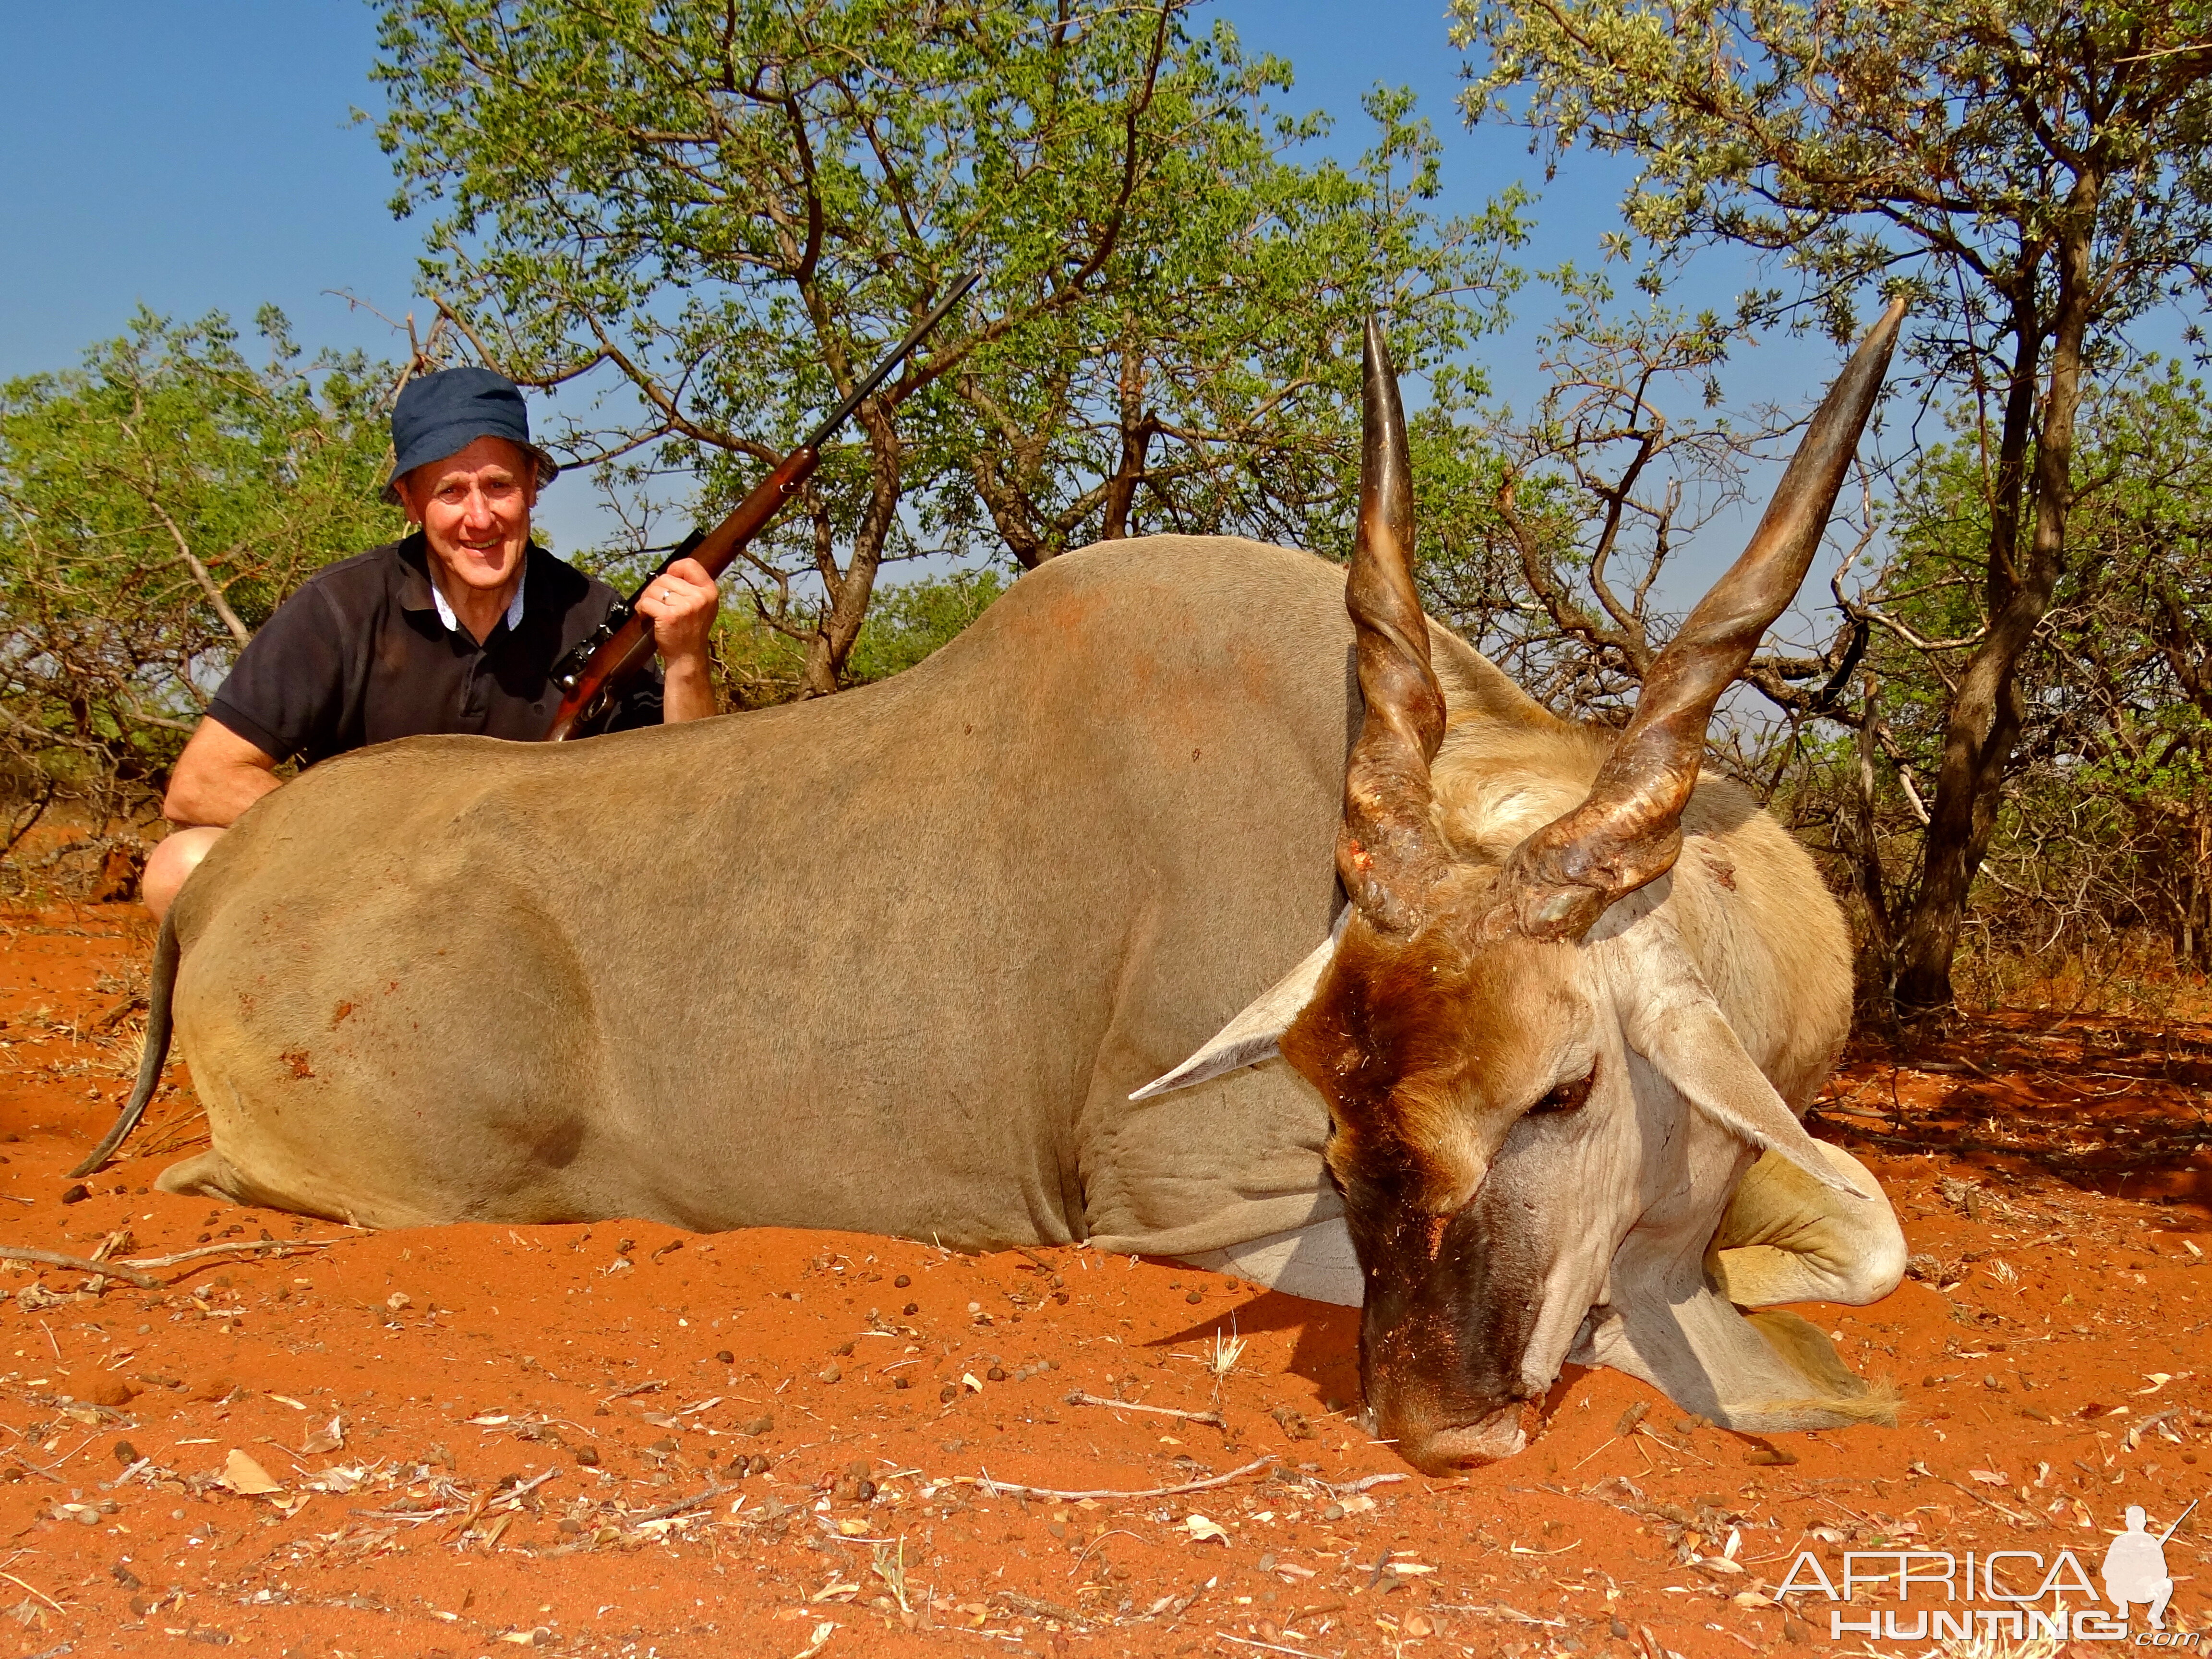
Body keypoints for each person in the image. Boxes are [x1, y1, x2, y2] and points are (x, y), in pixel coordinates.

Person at [140, 367, 719, 920]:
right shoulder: (340, 605)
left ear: (532, 492)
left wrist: (687, 659)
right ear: (412, 503)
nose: (479, 516)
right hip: (364, 893)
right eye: (450, 491)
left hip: (535, 907)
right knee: (180, 866)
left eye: (499, 486)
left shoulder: (593, 611)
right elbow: (199, 785)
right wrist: (390, 844)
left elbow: (688, 806)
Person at [2101, 1504, 2174, 1630]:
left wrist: (2149, 1576)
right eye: (2134, 1521)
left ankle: (2155, 1616)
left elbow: (2163, 1572)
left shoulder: (2152, 1543)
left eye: (2139, 1521)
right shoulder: (2120, 1542)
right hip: (2121, 1590)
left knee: (2167, 1584)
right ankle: (2123, 1609)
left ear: (2145, 1522)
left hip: (2143, 1589)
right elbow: (2107, 1571)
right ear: (2128, 1522)